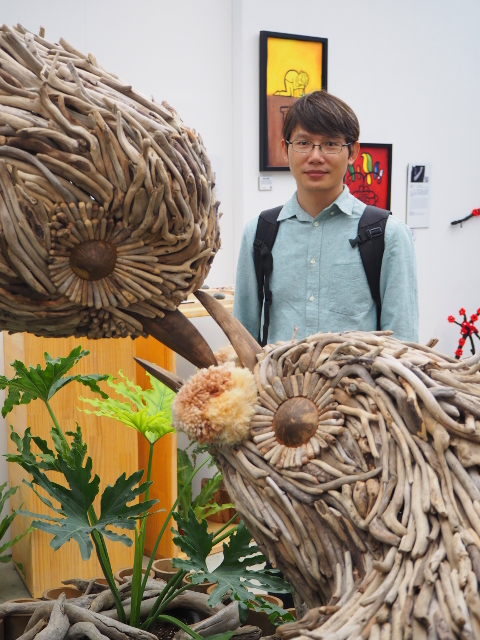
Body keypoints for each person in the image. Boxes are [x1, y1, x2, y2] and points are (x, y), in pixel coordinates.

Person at [233, 91, 419, 344]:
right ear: (285, 150)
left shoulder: (388, 235)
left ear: (352, 152)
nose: (315, 156)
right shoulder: (259, 233)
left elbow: (403, 345)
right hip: (276, 372)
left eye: (330, 144)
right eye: (303, 143)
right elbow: (242, 340)